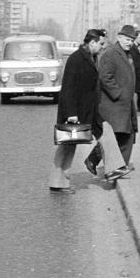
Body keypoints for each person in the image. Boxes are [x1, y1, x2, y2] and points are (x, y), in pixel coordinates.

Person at [49, 28, 106, 191]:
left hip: (90, 109)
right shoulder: (76, 59)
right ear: (92, 42)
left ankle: (107, 166)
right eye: (100, 44)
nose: (102, 47)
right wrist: (72, 113)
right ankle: (57, 182)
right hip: (76, 111)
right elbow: (68, 88)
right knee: (67, 146)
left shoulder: (92, 57)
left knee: (104, 137)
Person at [96, 24, 140, 173]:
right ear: (119, 38)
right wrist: (118, 94)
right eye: (127, 39)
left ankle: (119, 165)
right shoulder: (111, 53)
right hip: (114, 104)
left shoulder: (125, 53)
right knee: (120, 135)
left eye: (132, 40)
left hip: (123, 104)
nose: (130, 42)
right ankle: (117, 166)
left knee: (123, 134)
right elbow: (105, 77)